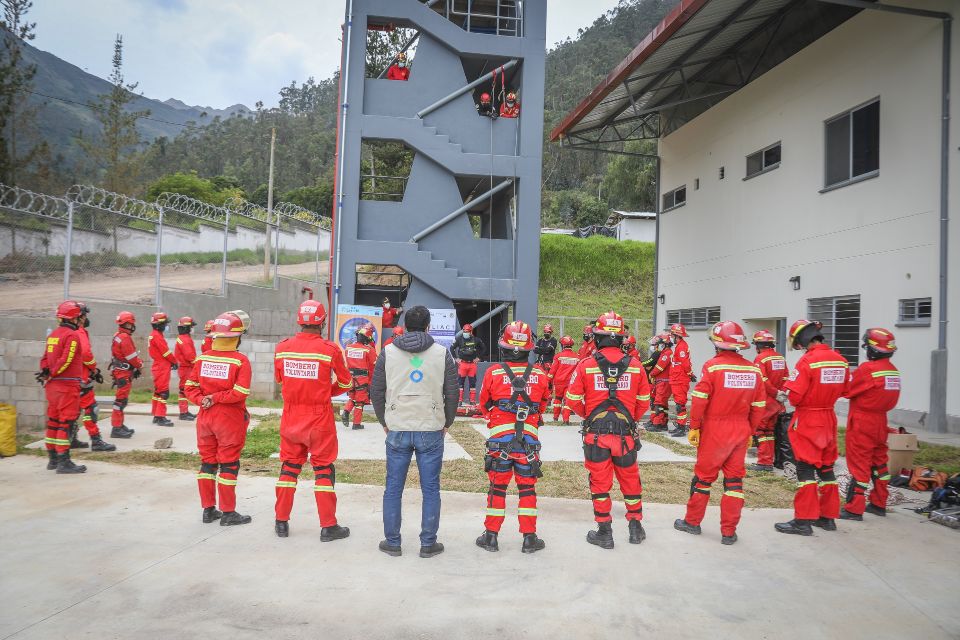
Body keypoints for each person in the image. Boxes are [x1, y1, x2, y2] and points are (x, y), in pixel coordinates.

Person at [370, 305, 459, 558]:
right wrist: (446, 422)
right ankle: (428, 544)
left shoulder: (387, 352)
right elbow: (452, 392)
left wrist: (384, 421)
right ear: (429, 326)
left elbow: (376, 390)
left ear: (405, 326)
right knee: (431, 488)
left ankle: (393, 542)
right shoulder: (442, 353)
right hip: (431, 427)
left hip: (397, 427)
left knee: (393, 488)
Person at [674, 321, 766, 545]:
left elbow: (700, 399)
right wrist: (751, 430)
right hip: (741, 430)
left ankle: (693, 522)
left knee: (703, 480)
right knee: (734, 482)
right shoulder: (754, 369)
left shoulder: (713, 367)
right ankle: (728, 532)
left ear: (717, 344)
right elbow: (759, 404)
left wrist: (694, 426)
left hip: (715, 430)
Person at [565, 311, 651, 548]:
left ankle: (605, 532)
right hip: (625, 436)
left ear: (597, 336)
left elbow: (572, 399)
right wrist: (629, 419)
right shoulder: (635, 366)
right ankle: (635, 527)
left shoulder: (586, 365)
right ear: (622, 338)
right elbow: (644, 402)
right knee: (631, 480)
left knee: (600, 483)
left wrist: (590, 415)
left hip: (597, 436)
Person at [273, 300, 354, 540]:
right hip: (319, 417)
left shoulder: (282, 348)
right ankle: (328, 526)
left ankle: (281, 522)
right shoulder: (329, 350)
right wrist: (325, 392)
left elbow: (280, 380)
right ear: (323, 321)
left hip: (291, 415)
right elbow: (347, 382)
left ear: (300, 320)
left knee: (289, 468)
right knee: (323, 469)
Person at [475, 321, 549, 554]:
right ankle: (529, 538)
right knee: (527, 490)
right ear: (529, 348)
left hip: (500, 444)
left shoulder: (493, 373)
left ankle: (491, 537)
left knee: (497, 489)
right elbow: (543, 404)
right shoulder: (540, 374)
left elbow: (484, 404)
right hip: (529, 445)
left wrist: (497, 417)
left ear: (504, 346)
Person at [774, 319, 849, 536]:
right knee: (826, 469)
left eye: (797, 343)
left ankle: (803, 521)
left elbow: (795, 397)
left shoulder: (808, 361)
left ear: (803, 339)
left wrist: (786, 394)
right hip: (829, 418)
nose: (798, 347)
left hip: (809, 419)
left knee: (805, 469)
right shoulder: (841, 360)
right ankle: (827, 517)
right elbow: (845, 390)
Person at [184, 310, 253, 526]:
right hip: (228, 418)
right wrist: (216, 398)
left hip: (205, 417)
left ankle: (208, 510)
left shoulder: (202, 358)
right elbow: (240, 392)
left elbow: (189, 387)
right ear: (237, 336)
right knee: (229, 465)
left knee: (207, 463)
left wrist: (203, 400)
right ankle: (228, 513)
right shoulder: (240, 361)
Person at [840, 328, 900, 521]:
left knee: (860, 465)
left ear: (872, 349)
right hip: (881, 421)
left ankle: (853, 509)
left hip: (863, 422)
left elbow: (848, 391)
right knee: (879, 463)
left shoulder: (868, 369)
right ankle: (879, 503)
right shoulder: (892, 371)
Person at [37, 301, 87, 473]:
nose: (82, 319)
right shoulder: (72, 336)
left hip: (52, 387)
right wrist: (52, 372)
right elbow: (67, 359)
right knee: (66, 423)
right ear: (74, 318)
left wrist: (46, 373)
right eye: (80, 316)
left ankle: (52, 460)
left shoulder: (53, 335)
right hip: (66, 385)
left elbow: (44, 358)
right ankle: (64, 462)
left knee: (54, 422)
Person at [73, 303, 115, 452]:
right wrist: (93, 368)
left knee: (74, 410)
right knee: (91, 409)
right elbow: (85, 354)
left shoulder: (66, 332)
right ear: (80, 317)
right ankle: (96, 440)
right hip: (82, 378)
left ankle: (71, 439)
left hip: (73, 379)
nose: (86, 318)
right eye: (85, 315)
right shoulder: (79, 332)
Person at [749, 330, 788, 472]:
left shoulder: (760, 359)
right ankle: (769, 460)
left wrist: (775, 392)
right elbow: (786, 377)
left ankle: (764, 463)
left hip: (765, 400)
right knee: (770, 431)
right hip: (777, 401)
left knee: (760, 430)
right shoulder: (780, 358)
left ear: (758, 345)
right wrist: (781, 393)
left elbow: (762, 380)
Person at [109, 311, 140, 439]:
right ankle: (116, 428)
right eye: (131, 324)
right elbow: (131, 357)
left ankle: (119, 425)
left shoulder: (118, 335)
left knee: (122, 400)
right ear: (129, 324)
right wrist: (139, 365)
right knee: (120, 401)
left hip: (121, 372)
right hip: (123, 373)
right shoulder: (125, 338)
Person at [342, 323, 378, 431]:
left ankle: (346, 411)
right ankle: (356, 424)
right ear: (367, 338)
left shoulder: (348, 348)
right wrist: (371, 383)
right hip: (362, 378)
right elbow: (373, 367)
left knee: (352, 397)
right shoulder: (368, 350)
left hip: (350, 377)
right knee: (360, 402)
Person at [148, 312, 177, 426]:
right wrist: (174, 361)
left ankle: (156, 414)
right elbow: (166, 352)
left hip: (158, 366)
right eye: (164, 324)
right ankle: (160, 416)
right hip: (162, 367)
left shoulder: (154, 334)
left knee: (158, 392)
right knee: (164, 393)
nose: (166, 326)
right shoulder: (157, 336)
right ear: (159, 325)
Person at [668, 323, 695, 437]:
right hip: (677, 379)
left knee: (680, 404)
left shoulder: (682, 346)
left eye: (672, 335)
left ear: (676, 335)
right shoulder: (679, 346)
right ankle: (680, 425)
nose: (671, 338)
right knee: (679, 403)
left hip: (680, 379)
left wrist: (690, 374)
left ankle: (681, 427)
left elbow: (685, 363)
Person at [451, 323, 486, 406]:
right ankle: (459, 401)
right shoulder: (459, 339)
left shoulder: (476, 340)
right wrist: (456, 358)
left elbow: (484, 348)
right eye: (464, 331)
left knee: (473, 383)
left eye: (467, 331)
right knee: (460, 383)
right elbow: (452, 348)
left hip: (472, 365)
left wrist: (478, 358)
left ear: (471, 332)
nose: (465, 332)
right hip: (462, 364)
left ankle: (472, 400)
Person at [645, 333, 673, 433]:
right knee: (662, 404)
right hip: (662, 381)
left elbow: (659, 367)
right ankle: (663, 423)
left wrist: (651, 374)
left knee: (659, 403)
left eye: (658, 344)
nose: (656, 346)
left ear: (664, 344)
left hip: (664, 382)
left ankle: (657, 424)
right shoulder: (665, 353)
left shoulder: (666, 354)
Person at [548, 336, 578, 424]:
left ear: (562, 345)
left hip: (558, 382)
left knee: (557, 399)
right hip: (570, 383)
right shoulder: (576, 357)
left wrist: (548, 380)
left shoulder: (558, 356)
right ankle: (566, 420)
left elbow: (552, 370)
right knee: (567, 401)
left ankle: (555, 418)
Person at [175, 316, 198, 421]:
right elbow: (190, 356)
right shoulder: (185, 340)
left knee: (183, 390)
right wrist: (197, 365)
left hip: (185, 368)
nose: (192, 329)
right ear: (186, 328)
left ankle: (184, 411)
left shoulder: (182, 338)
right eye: (191, 327)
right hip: (187, 368)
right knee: (184, 390)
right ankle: (183, 413)